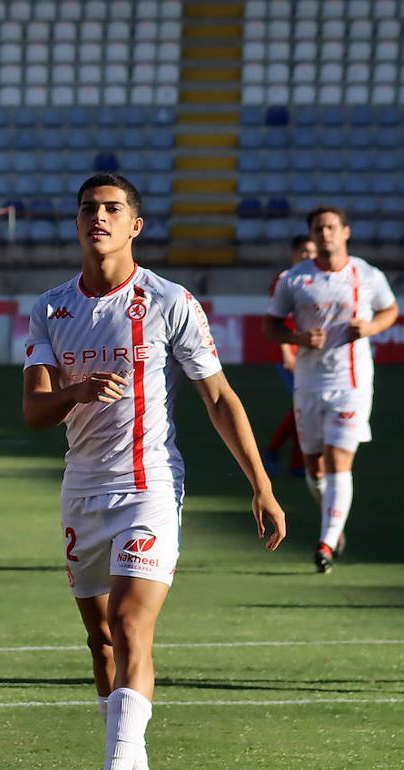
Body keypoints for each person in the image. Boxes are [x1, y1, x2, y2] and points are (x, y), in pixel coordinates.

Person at [22, 173, 286, 770]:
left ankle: (124, 761)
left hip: (150, 486)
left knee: (129, 621)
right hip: (82, 489)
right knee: (102, 641)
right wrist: (79, 391)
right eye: (89, 208)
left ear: (134, 226)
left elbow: (217, 396)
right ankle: (119, 746)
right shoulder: (51, 308)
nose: (99, 217)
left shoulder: (169, 302)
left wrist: (262, 486)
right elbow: (34, 411)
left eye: (113, 209)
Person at [265, 206, 398, 573]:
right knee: (314, 468)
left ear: (345, 232)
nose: (324, 233)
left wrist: (370, 329)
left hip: (351, 383)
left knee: (339, 460)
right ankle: (334, 526)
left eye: (330, 227)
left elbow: (389, 310)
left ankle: (326, 542)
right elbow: (270, 327)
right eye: (318, 228)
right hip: (308, 383)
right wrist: (297, 338)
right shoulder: (295, 278)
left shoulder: (367, 274)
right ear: (312, 234)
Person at [262, 235, 316, 478]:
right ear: (294, 252)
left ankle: (297, 463)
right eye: (304, 251)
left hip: (307, 353)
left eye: (312, 252)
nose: (309, 256)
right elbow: (279, 318)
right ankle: (274, 450)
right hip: (290, 351)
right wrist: (287, 352)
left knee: (302, 407)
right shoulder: (286, 278)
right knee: (301, 406)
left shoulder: (313, 279)